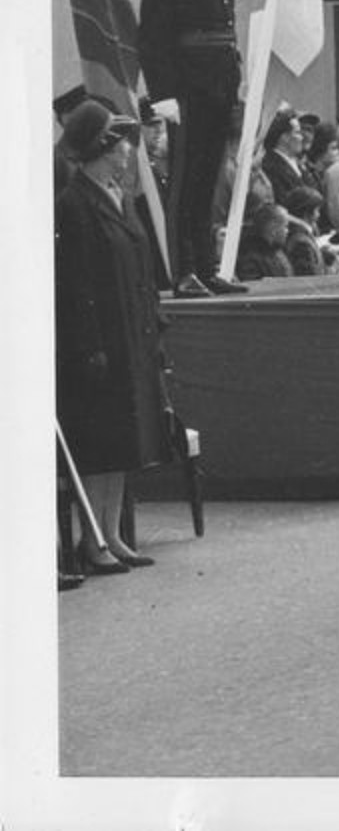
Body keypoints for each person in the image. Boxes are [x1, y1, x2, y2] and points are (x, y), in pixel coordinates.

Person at [55, 101, 175, 575]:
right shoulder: (73, 203)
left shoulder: (120, 199)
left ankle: (114, 533)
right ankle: (93, 538)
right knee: (101, 445)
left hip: (133, 335)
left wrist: (155, 324)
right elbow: (76, 284)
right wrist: (90, 347)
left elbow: (144, 272)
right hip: (101, 345)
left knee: (125, 442)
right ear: (103, 149)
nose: (128, 150)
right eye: (121, 142)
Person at [135, 0, 249, 298]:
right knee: (185, 181)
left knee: (207, 179)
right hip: (186, 91)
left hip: (218, 86)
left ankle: (205, 266)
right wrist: (163, 95)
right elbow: (153, 39)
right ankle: (183, 271)